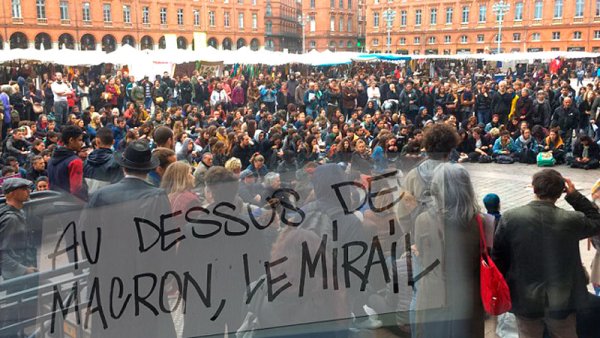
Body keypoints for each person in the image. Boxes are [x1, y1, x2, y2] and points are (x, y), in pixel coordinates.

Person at [82, 140, 177, 338]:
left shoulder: (101, 195)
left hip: (108, 278)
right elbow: (165, 243)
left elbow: (86, 237)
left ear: (124, 167)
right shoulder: (157, 196)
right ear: (148, 168)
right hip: (145, 281)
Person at [493, 169, 600, 338]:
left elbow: (498, 258)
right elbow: (596, 221)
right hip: (562, 299)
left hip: (524, 297)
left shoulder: (510, 218)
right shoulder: (571, 220)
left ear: (534, 188)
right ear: (560, 192)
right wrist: (574, 196)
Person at [413, 163, 484, 338]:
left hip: (435, 293)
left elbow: (423, 257)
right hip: (469, 293)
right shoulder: (481, 222)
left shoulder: (423, 220)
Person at [47, 125, 86, 200]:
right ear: (71, 140)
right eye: (79, 140)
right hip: (71, 205)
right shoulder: (75, 161)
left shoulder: (51, 159)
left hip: (53, 201)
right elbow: (76, 189)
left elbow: (50, 184)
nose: (82, 143)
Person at [83, 127, 123, 193]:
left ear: (97, 142)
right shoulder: (116, 162)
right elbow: (117, 190)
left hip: (88, 201)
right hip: (108, 201)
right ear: (113, 142)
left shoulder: (86, 161)